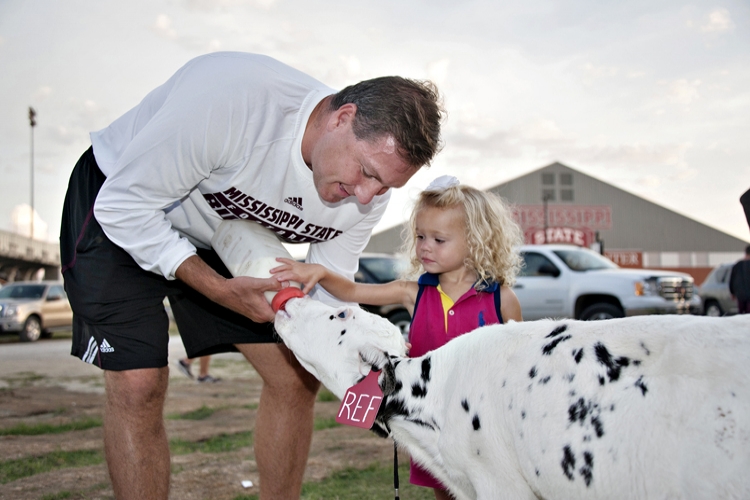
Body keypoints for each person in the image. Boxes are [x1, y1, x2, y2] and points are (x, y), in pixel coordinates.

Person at [60, 52, 443, 500]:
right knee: (139, 382)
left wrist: (362, 364)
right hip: (125, 203)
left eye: (384, 188)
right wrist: (218, 290)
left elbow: (329, 286)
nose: (366, 196)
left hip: (225, 233)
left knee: (294, 376)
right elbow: (122, 207)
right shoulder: (233, 101)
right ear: (343, 117)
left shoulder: (369, 190)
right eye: (367, 174)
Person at [272, 175, 523, 500]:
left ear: (475, 241)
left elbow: (521, 364)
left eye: (439, 239)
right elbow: (354, 291)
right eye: (420, 236)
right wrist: (320, 273)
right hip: (433, 424)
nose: (425, 246)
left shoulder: (501, 300)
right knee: (448, 491)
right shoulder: (412, 292)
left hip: (486, 426)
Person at [729, 245, 750, 314]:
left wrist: (732, 292)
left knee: (741, 314)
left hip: (740, 295)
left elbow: (731, 280)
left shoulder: (737, 265)